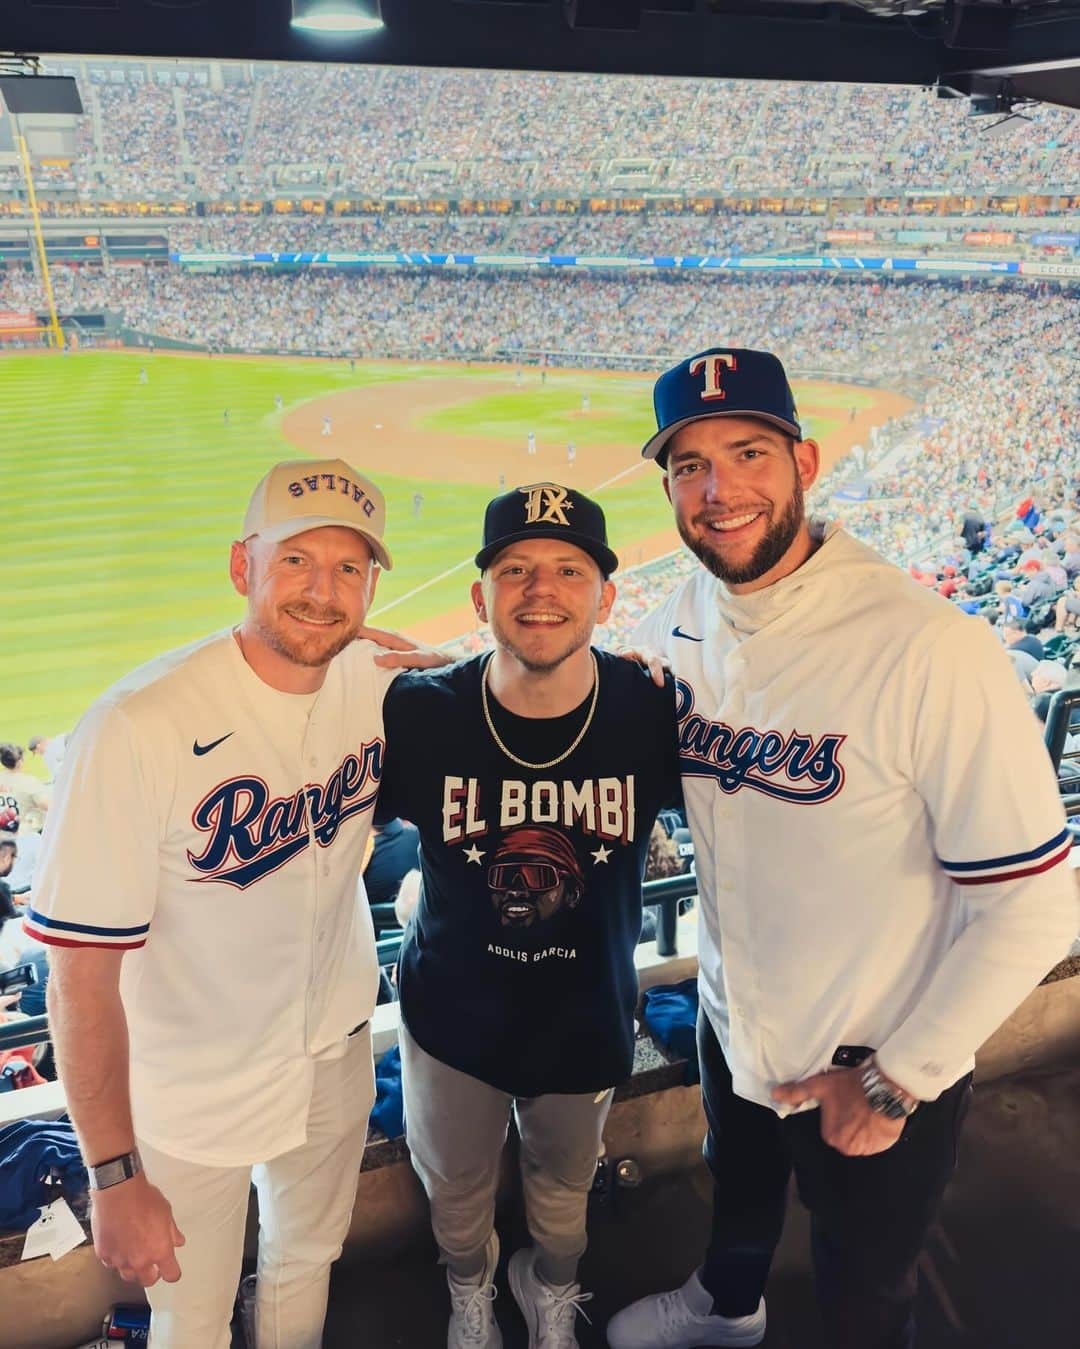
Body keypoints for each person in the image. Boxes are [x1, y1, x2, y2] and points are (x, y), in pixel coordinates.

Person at [606, 347, 1076, 1349]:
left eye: (746, 452)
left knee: (866, 1283)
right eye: (689, 465)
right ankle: (727, 1308)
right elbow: (601, 697)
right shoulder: (685, 611)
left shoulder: (929, 646)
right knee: (737, 1194)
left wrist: (897, 1077)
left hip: (875, 1056)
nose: (718, 488)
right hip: (737, 1016)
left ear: (806, 461)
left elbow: (1039, 900)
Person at [26, 457, 441, 1349]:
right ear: (240, 565)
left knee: (307, 1259)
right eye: (296, 560)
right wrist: (113, 1174)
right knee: (193, 1315)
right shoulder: (139, 722)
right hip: (190, 1088)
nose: (322, 592)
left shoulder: (372, 669)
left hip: (330, 1047)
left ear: (370, 585)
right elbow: (79, 980)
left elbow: (483, 681)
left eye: (348, 569)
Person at [377, 483, 679, 1349]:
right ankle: (470, 1289)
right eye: (515, 569)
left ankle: (551, 1285)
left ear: (607, 597)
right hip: (450, 1020)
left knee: (565, 1187)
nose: (540, 588)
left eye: (568, 569)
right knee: (458, 1189)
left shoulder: (653, 708)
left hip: (583, 1020)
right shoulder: (419, 711)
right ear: (482, 596)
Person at [0, 745, 51, 834]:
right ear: (19, 762)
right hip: (26, 833)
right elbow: (47, 806)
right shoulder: (29, 781)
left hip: (4, 831)